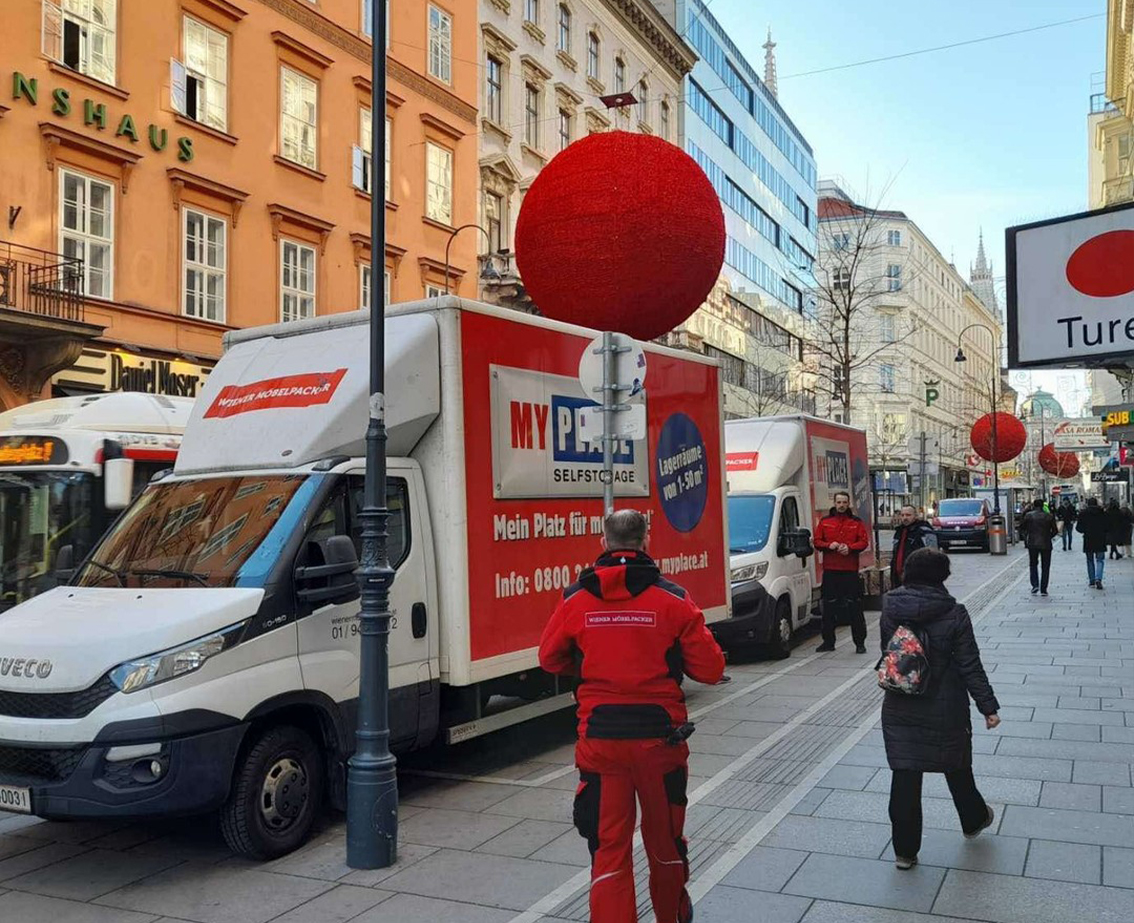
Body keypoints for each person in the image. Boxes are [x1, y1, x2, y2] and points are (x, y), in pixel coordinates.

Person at [539, 510, 725, 923]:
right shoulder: (674, 599)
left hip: (600, 742)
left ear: (603, 542)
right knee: (665, 843)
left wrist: (591, 661)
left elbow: (549, 658)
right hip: (661, 743)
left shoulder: (575, 598)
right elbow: (711, 670)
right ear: (646, 541)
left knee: (608, 850)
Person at [880, 548, 1000, 870]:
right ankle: (974, 819)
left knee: (905, 773)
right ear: (942, 576)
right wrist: (987, 706)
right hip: (945, 704)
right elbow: (968, 664)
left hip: (900, 701)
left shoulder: (891, 605)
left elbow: (888, 650)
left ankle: (905, 852)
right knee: (956, 764)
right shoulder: (955, 612)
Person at [813, 491, 870, 654]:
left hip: (850, 571)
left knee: (855, 607)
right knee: (828, 608)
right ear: (834, 503)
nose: (841, 505)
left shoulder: (856, 522)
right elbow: (817, 541)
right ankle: (828, 642)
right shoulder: (825, 522)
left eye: (844, 502)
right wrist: (829, 545)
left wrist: (850, 548)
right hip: (831, 571)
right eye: (839, 502)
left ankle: (860, 643)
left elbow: (863, 542)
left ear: (848, 503)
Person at [890, 504, 937, 588]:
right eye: (902, 515)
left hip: (919, 579)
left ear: (915, 516)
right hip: (899, 578)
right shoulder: (899, 532)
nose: (905, 518)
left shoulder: (924, 531)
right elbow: (895, 554)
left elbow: (933, 554)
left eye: (908, 515)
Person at [1021, 498, 1058, 596]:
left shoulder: (1029, 516)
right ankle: (1044, 588)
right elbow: (1055, 531)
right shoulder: (1049, 516)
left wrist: (1027, 536)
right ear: (1042, 506)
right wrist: (1048, 536)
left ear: (1034, 505)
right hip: (1046, 543)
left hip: (1032, 543)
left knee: (1033, 564)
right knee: (1045, 566)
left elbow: (1022, 527)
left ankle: (1035, 585)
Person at [1076, 497, 1109, 589]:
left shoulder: (1083, 513)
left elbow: (1078, 528)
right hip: (1100, 539)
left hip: (1088, 539)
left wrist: (1085, 530)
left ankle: (1092, 580)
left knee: (1090, 560)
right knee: (1100, 560)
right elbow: (1108, 526)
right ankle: (1099, 578)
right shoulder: (1103, 513)